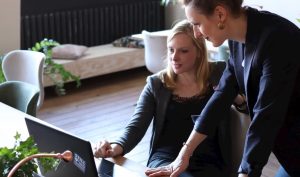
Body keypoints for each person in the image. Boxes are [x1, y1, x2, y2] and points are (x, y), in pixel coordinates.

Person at [145, 0, 300, 177]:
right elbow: (221, 96)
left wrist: (245, 172)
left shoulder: (277, 39)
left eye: (197, 24)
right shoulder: (238, 39)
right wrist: (184, 154)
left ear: (220, 14)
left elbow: (266, 117)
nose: (196, 34)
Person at [93, 20, 231, 177]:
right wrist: (114, 147)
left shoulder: (219, 73)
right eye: (171, 50)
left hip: (209, 162)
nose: (174, 57)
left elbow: (248, 106)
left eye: (183, 51)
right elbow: (136, 127)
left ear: (199, 51)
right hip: (164, 160)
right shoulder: (157, 84)